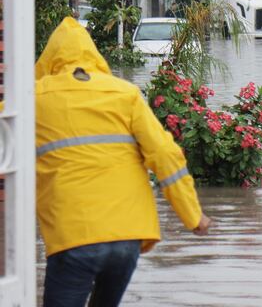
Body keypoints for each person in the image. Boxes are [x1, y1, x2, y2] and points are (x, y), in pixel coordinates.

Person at [30, 17, 212, 307]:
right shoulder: (125, 94)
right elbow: (165, 155)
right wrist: (193, 216)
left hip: (74, 237)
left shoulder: (34, 98)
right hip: (128, 238)